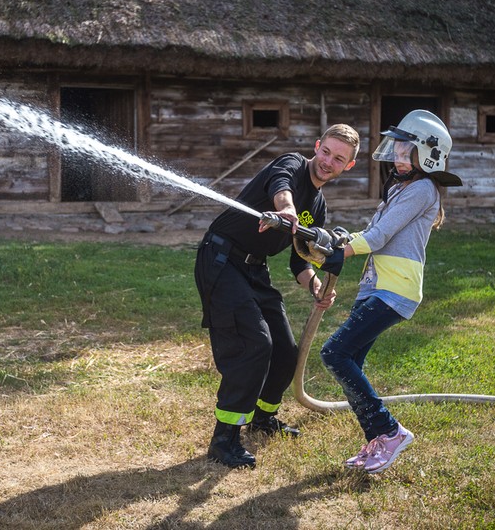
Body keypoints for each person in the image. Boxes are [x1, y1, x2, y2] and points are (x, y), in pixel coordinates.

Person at [299, 110, 462, 474]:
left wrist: (341, 249)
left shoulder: (421, 189)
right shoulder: (402, 187)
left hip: (395, 290)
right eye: (398, 151)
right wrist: (339, 240)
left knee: (334, 353)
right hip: (377, 286)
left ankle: (389, 431)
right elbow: (371, 231)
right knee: (350, 362)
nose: (399, 158)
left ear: (429, 156)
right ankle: (376, 439)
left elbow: (377, 238)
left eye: (408, 153)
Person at [194, 124, 360, 469]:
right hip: (222, 258)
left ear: (349, 166)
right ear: (317, 146)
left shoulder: (319, 205)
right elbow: (279, 185)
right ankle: (224, 439)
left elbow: (300, 257)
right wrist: (286, 210)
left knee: (286, 349)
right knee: (254, 344)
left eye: (338, 159)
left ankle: (264, 418)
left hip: (255, 270)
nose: (328, 161)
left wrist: (314, 284)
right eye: (326, 151)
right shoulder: (293, 165)